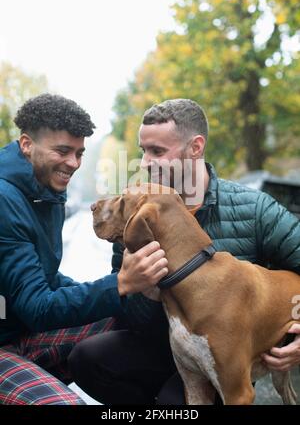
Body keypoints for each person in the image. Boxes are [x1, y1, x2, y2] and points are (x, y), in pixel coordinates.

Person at [69, 98, 300, 405]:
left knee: (174, 403)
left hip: (225, 351)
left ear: (196, 147)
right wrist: (138, 286)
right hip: (162, 344)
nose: (146, 163)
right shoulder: (138, 211)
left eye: (157, 151)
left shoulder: (254, 209)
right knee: (87, 357)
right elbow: (127, 313)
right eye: (143, 151)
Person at [0, 93, 168, 405]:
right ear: (26, 144)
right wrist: (120, 284)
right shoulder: (5, 199)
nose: (74, 164)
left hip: (18, 333)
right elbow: (37, 306)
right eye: (63, 151)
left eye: (79, 153)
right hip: (7, 343)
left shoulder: (45, 191)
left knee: (123, 322)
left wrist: (119, 293)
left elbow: (43, 278)